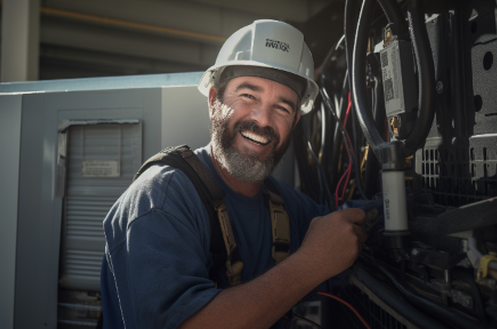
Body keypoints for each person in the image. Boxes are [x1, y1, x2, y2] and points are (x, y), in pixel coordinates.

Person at [101, 19, 368, 329]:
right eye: (248, 96)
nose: (263, 119)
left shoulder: (285, 205)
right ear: (214, 101)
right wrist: (309, 265)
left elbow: (342, 228)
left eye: (282, 107)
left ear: (294, 123)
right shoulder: (161, 199)